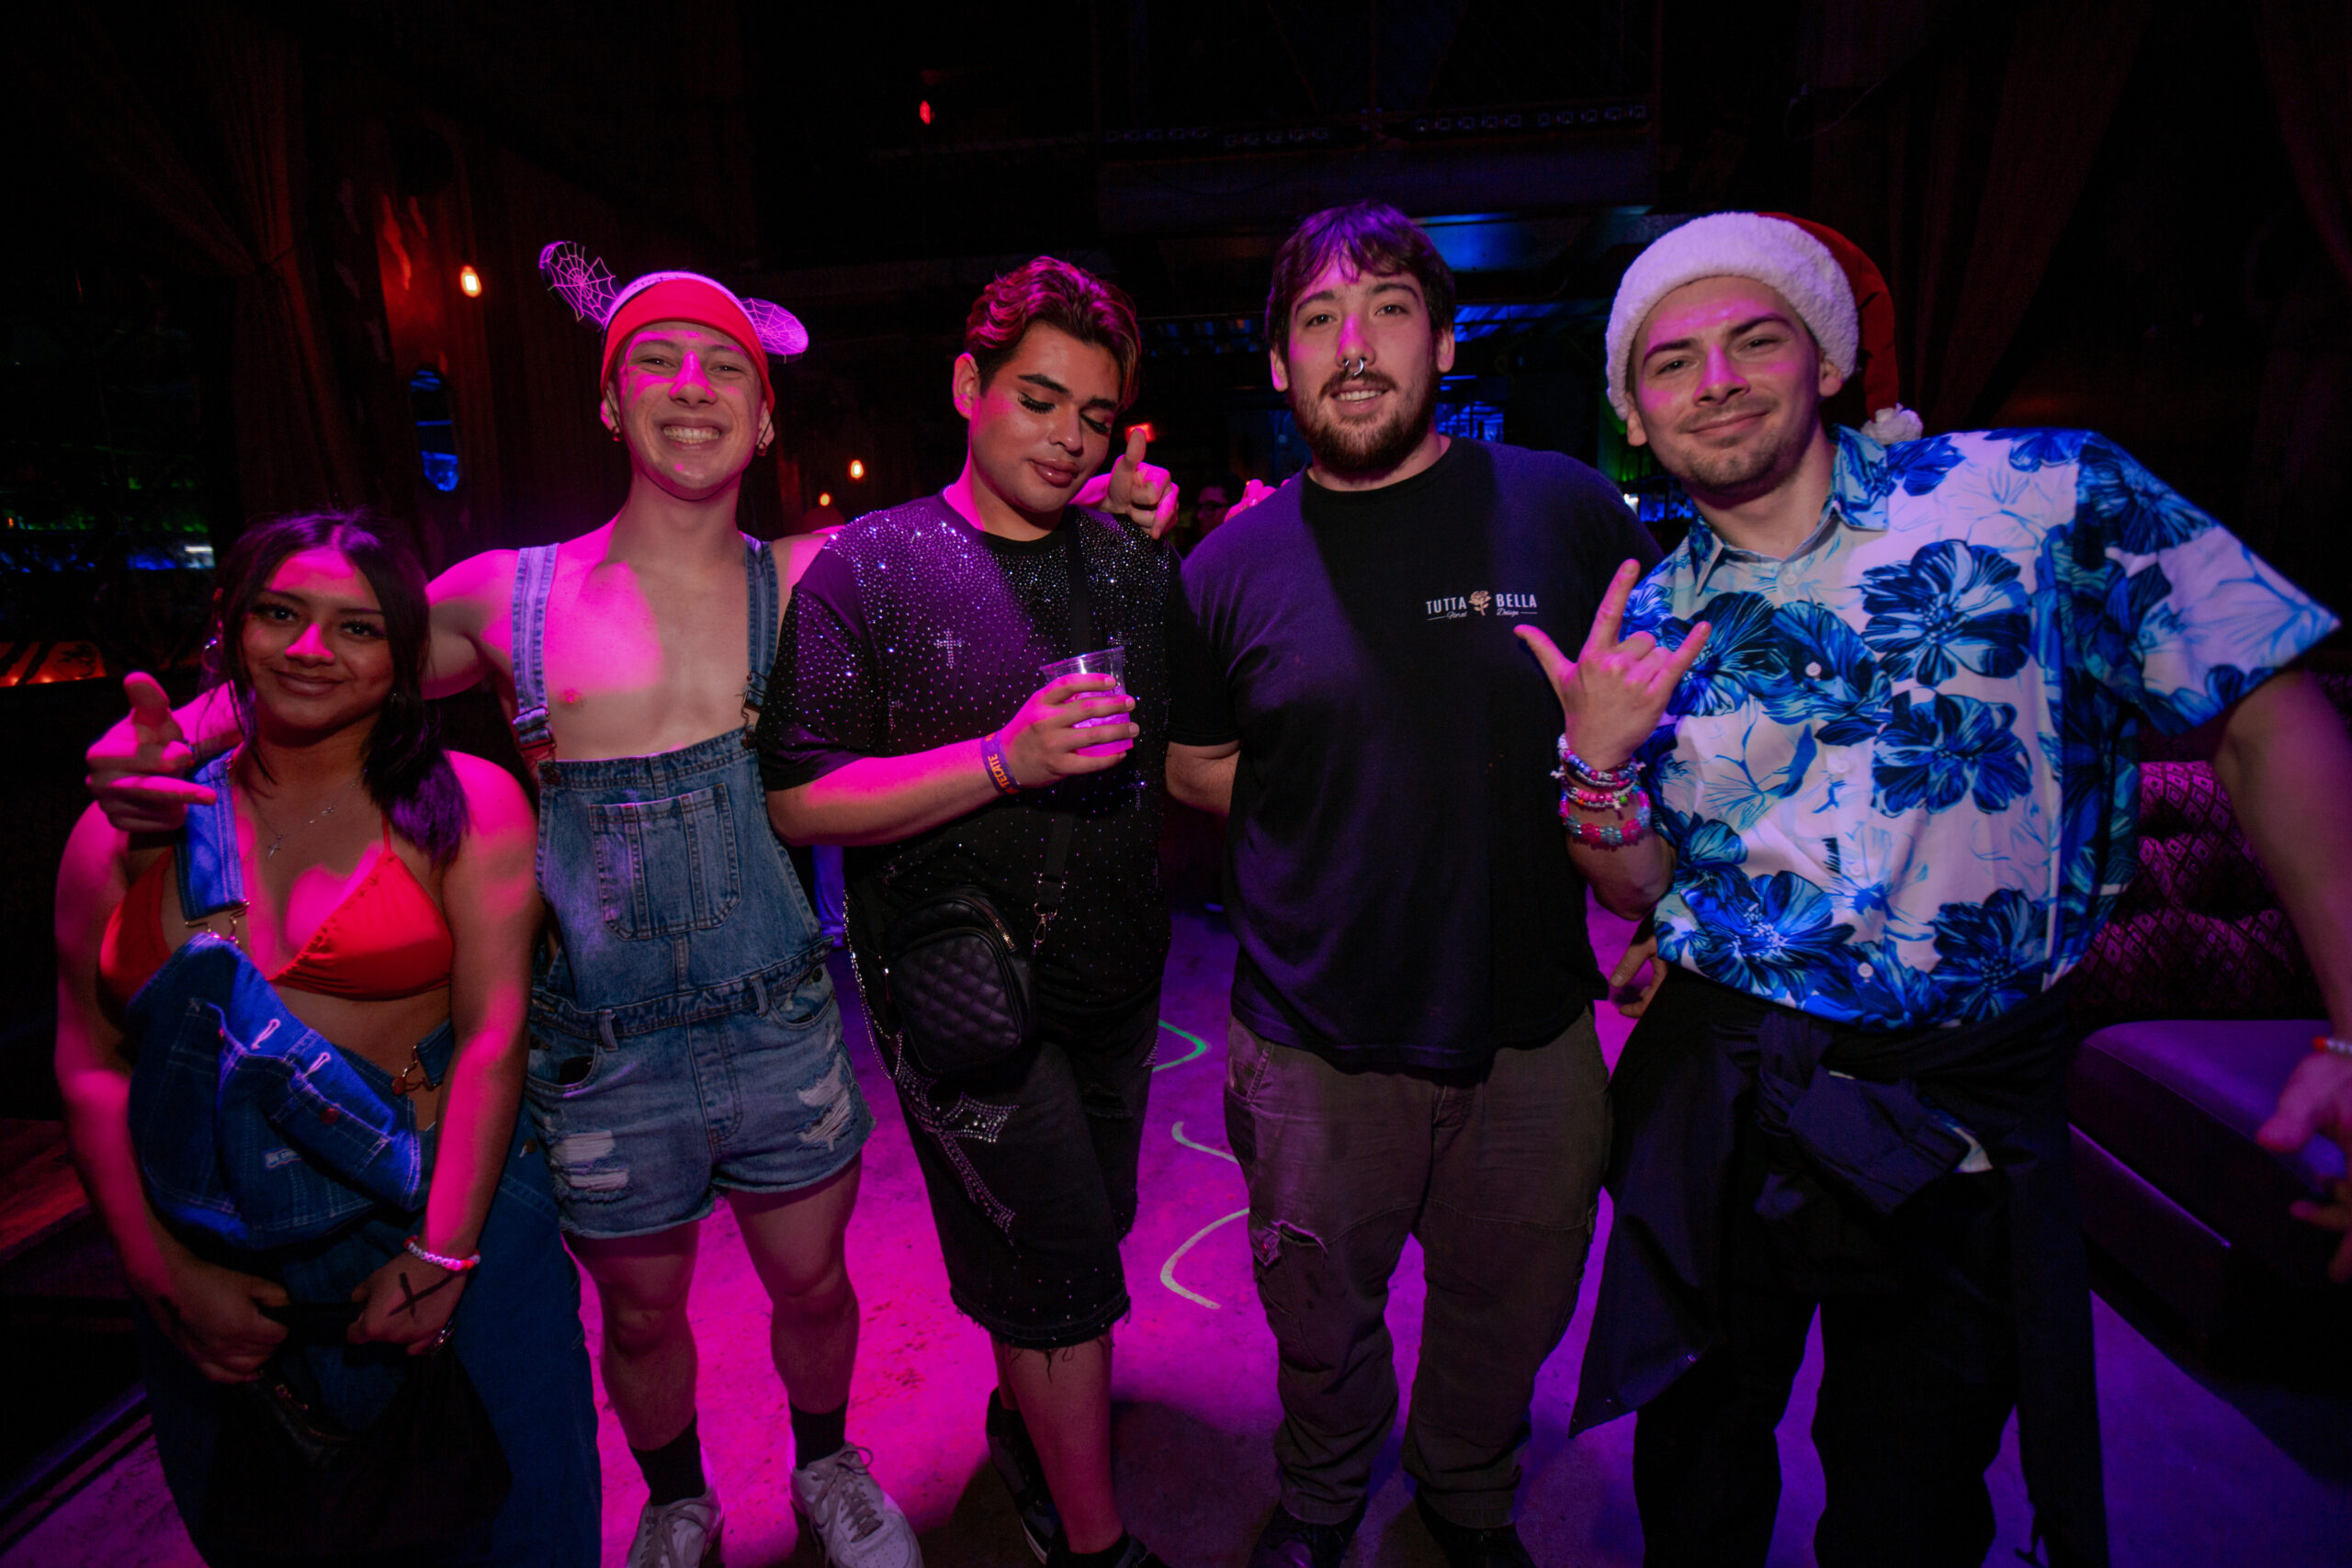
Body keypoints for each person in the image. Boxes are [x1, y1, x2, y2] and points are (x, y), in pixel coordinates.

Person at [1534, 210, 2352, 1568]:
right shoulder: (1658, 613)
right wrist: (1596, 763)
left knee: (1913, 1486)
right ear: (1634, 409)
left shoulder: (2037, 498)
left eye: (1754, 340)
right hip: (1726, 1083)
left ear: (1827, 360)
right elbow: (1641, 886)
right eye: (1671, 361)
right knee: (1698, 1461)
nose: (1715, 381)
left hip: (1960, 1095)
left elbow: (2266, 712)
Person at [82, 251, 918, 1568]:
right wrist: (172, 737)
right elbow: (329, 659)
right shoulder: (504, 593)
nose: (690, 387)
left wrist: (1109, 501)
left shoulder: (814, 573)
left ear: (766, 420)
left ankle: (827, 1460)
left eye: (725, 368)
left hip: (779, 1020)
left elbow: (971, 541)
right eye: (656, 360)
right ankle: (681, 1495)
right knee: (638, 1319)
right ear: (608, 403)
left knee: (814, 1282)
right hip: (604, 1050)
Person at [1163, 201, 1657, 1568]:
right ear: (1279, 364)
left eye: (1386, 308)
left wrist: (1678, 895)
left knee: (1511, 1307)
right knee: (1318, 1318)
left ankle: (1466, 1493)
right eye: (1317, 319)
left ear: (1444, 340)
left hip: (1533, 1028)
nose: (1353, 344)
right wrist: (1344, 799)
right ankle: (1324, 1493)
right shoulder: (1224, 568)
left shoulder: (1563, 509)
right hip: (1311, 1042)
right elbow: (1195, 763)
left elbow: (1680, 715)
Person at [55, 513, 600, 1565]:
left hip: (435, 1204)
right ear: (231, 628)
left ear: (405, 656)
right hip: (211, 1238)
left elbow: (494, 1036)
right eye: (281, 614)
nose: (313, 650)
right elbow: (89, 1066)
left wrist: (441, 1254)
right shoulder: (123, 833)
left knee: (520, 1528)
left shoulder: (463, 805)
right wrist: (168, 1275)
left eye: (358, 627)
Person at [762, 257, 1179, 1568]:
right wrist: (1003, 759)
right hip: (963, 1001)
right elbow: (798, 797)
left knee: (1079, 1240)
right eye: (1039, 400)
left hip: (1117, 977)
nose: (1068, 438)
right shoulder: (871, 567)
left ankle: (1033, 1436)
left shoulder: (1128, 568)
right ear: (967, 386)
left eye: (1094, 416)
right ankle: (1096, 1544)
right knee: (1064, 1280)